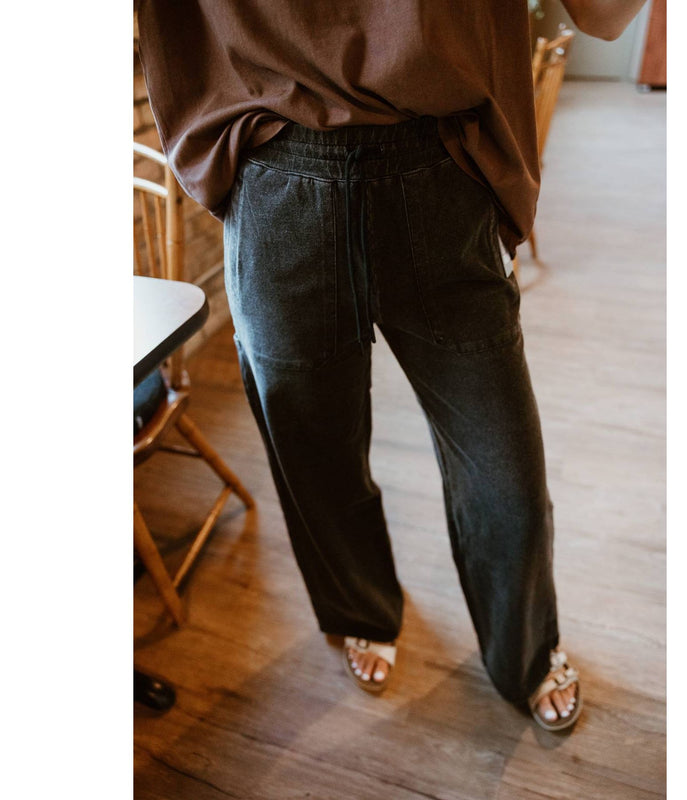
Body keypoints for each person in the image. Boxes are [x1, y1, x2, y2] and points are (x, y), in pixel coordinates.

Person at [136, 0, 645, 731]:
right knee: (316, 454)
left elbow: (602, 16)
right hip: (278, 183)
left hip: (438, 172)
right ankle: (361, 610)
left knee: (503, 466)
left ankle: (526, 649)